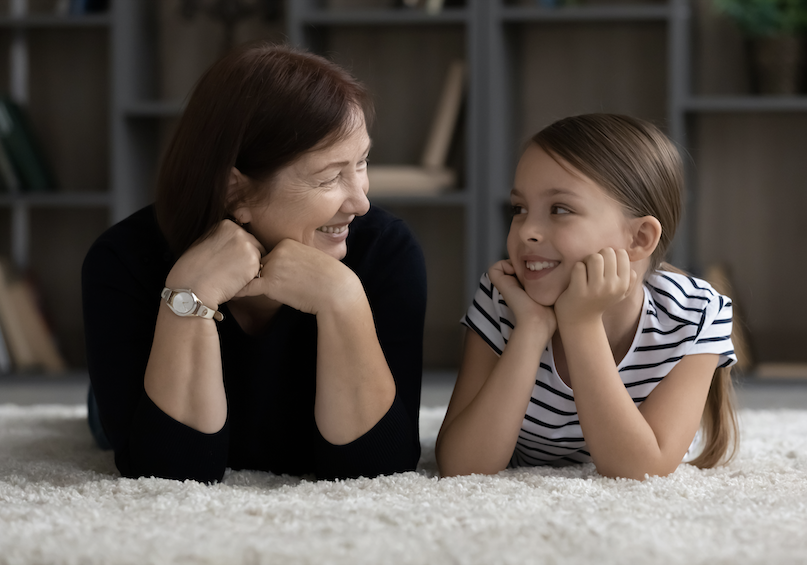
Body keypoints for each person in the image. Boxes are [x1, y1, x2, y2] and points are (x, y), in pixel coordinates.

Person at [82, 43, 427, 483]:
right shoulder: (121, 261)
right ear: (236, 192)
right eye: (329, 178)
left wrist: (344, 300)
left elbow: (381, 471)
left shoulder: (388, 251)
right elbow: (168, 473)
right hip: (146, 360)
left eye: (361, 163)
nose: (361, 202)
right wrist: (188, 295)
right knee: (103, 418)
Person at [436, 113, 738, 480]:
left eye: (560, 209)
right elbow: (463, 467)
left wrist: (580, 323)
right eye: (519, 209)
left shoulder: (695, 313)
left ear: (639, 238)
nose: (527, 230)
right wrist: (531, 328)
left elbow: (639, 470)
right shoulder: (504, 300)